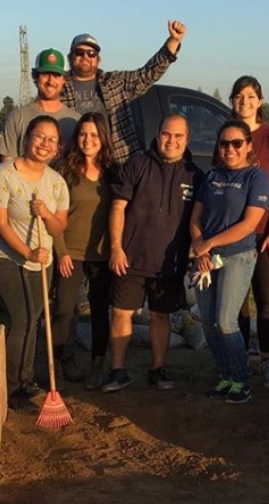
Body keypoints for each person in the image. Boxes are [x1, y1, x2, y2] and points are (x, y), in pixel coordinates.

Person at [104, 113, 203, 393]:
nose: (171, 141)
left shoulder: (195, 175)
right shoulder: (137, 165)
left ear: (187, 140)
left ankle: (158, 370)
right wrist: (115, 248)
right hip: (130, 259)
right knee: (122, 313)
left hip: (168, 265)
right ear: (158, 135)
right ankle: (117, 371)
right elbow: (117, 207)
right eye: (166, 134)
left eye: (178, 136)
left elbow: (201, 219)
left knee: (161, 316)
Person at [0, 115, 69, 411]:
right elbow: (0, 223)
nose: (44, 144)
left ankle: (25, 379)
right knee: (20, 319)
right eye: (39, 136)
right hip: (7, 259)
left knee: (33, 321)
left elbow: (60, 227)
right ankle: (9, 387)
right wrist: (27, 253)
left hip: (41, 264)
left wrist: (47, 214)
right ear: (27, 139)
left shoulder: (57, 183)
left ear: (57, 148)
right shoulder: (3, 174)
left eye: (51, 140)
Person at [190, 120, 269, 404]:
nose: (230, 149)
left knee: (226, 321)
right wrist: (201, 250)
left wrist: (209, 244)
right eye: (224, 143)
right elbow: (195, 218)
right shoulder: (212, 176)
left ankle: (242, 380)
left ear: (248, 145)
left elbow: (250, 223)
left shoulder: (256, 178)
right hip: (206, 258)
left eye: (237, 143)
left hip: (236, 255)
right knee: (209, 323)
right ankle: (226, 376)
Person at [226, 76, 269, 389]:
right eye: (239, 96)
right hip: (233, 236)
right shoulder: (226, 136)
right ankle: (239, 362)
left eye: (250, 96)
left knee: (267, 301)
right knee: (237, 302)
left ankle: (267, 361)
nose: (245, 101)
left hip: (264, 233)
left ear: (260, 101)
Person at [51, 113, 118, 391]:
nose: (88, 140)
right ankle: (60, 366)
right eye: (83, 134)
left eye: (94, 135)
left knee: (100, 312)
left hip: (102, 255)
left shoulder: (114, 172)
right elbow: (54, 216)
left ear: (103, 138)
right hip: (71, 253)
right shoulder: (65, 170)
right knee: (64, 312)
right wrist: (62, 252)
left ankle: (97, 366)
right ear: (76, 138)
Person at [61, 20, 187, 166]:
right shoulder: (59, 88)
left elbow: (147, 74)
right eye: (79, 53)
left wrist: (173, 41)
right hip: (77, 166)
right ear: (70, 57)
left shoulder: (115, 83)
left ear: (98, 59)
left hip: (118, 165)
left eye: (91, 53)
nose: (86, 57)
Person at [0, 48, 80, 161]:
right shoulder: (16, 118)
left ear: (64, 80)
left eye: (56, 75)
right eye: (46, 74)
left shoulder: (75, 121)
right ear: (36, 77)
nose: (50, 81)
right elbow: (7, 169)